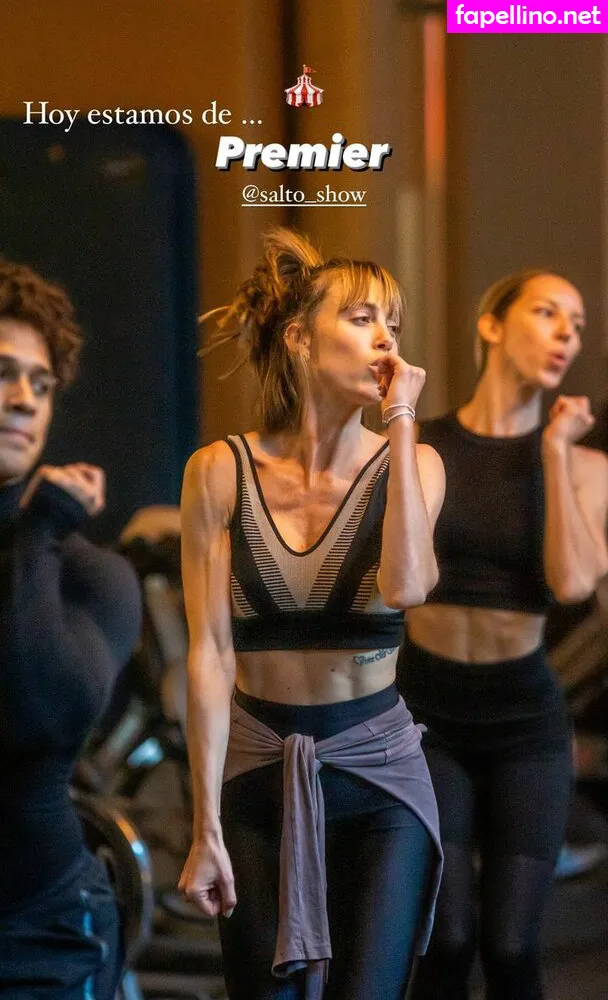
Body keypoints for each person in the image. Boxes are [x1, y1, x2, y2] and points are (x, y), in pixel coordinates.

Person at [178, 229, 445, 1000]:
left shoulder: (415, 462)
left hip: (378, 775)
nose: (386, 338)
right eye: (362, 318)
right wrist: (204, 826)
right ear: (299, 338)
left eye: (393, 323)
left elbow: (407, 585)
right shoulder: (218, 471)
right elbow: (209, 655)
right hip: (259, 771)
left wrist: (401, 420)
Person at [399, 270, 608, 1000]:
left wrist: (552, 451)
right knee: (447, 940)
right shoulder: (423, 447)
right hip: (427, 716)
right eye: (547, 312)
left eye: (577, 324)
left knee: (512, 946)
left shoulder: (585, 465)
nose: (566, 334)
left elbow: (572, 583)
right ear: (491, 324)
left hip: (525, 722)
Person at [0, 261, 142, 997]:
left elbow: (34, 715)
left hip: (42, 934)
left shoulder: (90, 577)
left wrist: (39, 533)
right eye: (2, 373)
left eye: (41, 384)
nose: (23, 398)